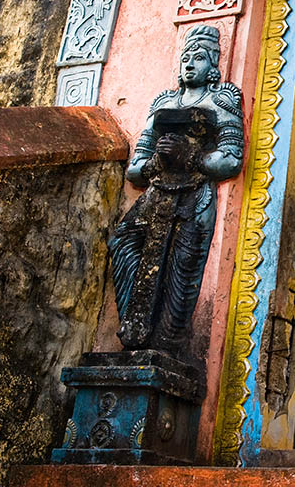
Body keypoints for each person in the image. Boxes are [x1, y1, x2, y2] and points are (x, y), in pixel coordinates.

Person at [109, 25, 244, 354]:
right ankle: (133, 325)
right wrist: (158, 161)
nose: (189, 64)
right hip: (156, 194)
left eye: (199, 58)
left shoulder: (221, 100)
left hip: (195, 196)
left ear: (213, 66)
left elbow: (231, 159)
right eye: (186, 58)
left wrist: (192, 157)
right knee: (123, 241)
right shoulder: (164, 103)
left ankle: (168, 341)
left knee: (181, 269)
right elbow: (135, 170)